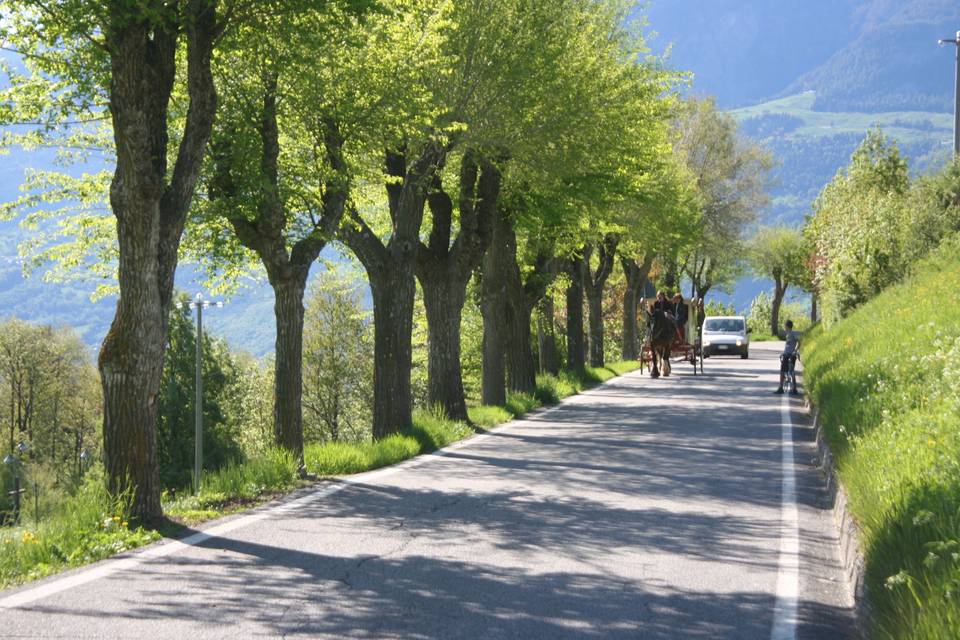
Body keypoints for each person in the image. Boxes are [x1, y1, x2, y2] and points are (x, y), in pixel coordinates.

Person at [775, 319, 801, 395]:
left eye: (785, 326)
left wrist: (795, 351)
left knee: (788, 371)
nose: (784, 327)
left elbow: (798, 342)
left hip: (791, 355)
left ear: (787, 326)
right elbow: (787, 346)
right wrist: (783, 353)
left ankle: (788, 388)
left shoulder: (792, 334)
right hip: (786, 354)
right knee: (787, 370)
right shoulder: (788, 335)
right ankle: (789, 388)